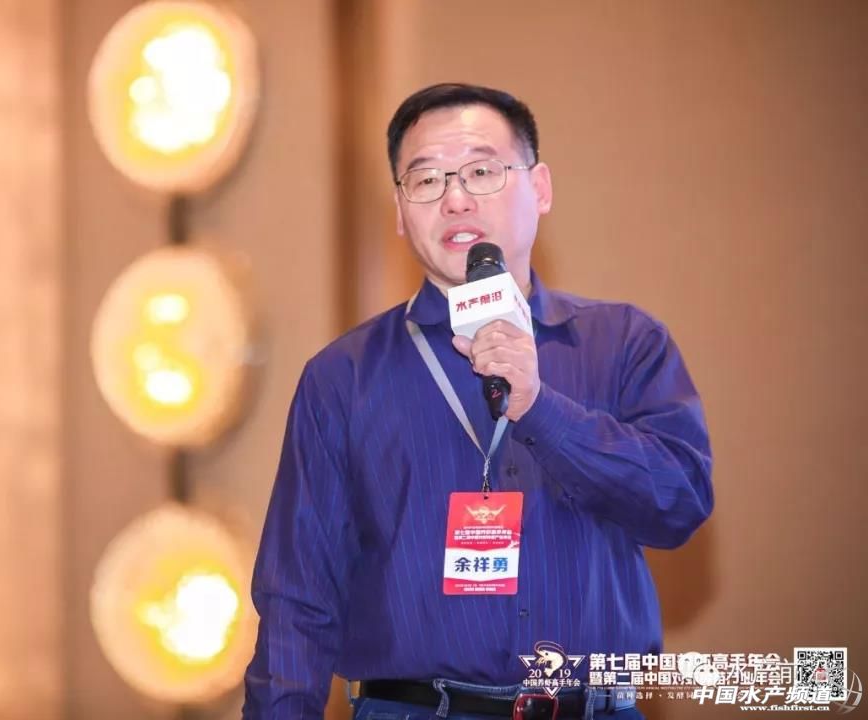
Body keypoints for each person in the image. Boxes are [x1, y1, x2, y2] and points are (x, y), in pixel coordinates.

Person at [242, 83, 713, 720]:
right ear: (400, 211)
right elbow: (297, 598)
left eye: (482, 171)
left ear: (540, 188)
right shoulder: (342, 377)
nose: (456, 198)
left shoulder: (624, 342)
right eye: (426, 180)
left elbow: (678, 505)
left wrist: (541, 407)